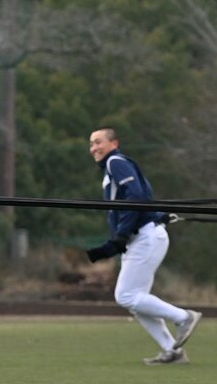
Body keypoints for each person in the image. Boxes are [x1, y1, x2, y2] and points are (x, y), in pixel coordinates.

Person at [86, 126, 202, 365]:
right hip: (140, 237)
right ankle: (172, 351)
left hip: (144, 237)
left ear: (114, 144)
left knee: (126, 296)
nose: (94, 148)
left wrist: (122, 234)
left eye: (99, 142)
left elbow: (136, 197)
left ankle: (183, 317)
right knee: (137, 301)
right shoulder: (113, 168)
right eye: (91, 144)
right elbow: (141, 197)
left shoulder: (115, 162)